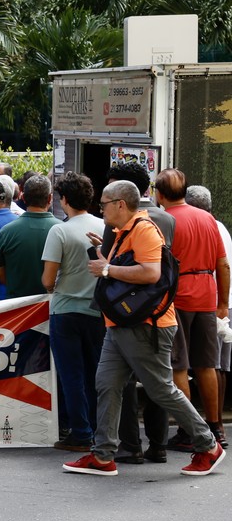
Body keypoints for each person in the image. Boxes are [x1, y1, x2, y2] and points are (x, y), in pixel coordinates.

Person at [63, 180, 225, 476]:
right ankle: (102, 456)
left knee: (161, 389)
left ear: (120, 204)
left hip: (145, 325)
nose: (101, 210)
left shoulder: (144, 229)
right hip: (124, 324)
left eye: (104, 205)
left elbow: (151, 273)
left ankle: (208, 445)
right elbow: (133, 268)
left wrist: (107, 269)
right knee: (107, 384)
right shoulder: (126, 231)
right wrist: (106, 258)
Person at [100, 161, 174, 465]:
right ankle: (159, 444)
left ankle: (130, 445)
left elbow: (116, 268)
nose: (103, 208)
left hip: (127, 311)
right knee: (156, 382)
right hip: (159, 308)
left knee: (128, 384)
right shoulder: (166, 219)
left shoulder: (123, 223)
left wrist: (103, 263)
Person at [154, 168, 230, 451]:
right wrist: (222, 302)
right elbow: (223, 264)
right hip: (206, 295)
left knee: (178, 366)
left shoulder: (164, 220)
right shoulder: (208, 219)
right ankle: (216, 427)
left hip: (178, 297)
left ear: (159, 195)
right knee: (207, 365)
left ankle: (189, 430)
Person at [41, 172, 106, 452]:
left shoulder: (60, 231)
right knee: (96, 374)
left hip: (66, 310)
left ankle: (80, 432)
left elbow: (47, 280)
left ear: (64, 199)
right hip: (98, 311)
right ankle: (96, 427)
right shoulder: (106, 227)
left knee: (71, 375)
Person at [186, 185, 232, 448]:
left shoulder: (203, 227)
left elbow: (219, 267)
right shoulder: (221, 227)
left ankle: (207, 427)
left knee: (203, 366)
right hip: (222, 303)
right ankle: (217, 426)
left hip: (210, 303)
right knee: (218, 366)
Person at [0, 175, 61, 298]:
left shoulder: (6, 231)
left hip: (17, 307)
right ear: (50, 198)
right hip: (53, 305)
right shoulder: (62, 229)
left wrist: (15, 285)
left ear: (23, 197)